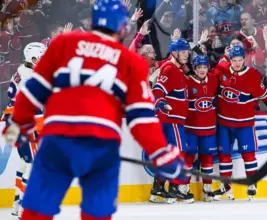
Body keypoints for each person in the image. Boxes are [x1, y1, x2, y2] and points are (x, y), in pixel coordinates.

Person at [2, 1, 185, 219]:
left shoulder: (63, 44)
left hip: (57, 140)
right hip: (100, 145)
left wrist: (17, 124)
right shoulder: (132, 62)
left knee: (36, 211)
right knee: (96, 213)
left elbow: (31, 92)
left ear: (93, 21)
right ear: (123, 27)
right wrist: (161, 154)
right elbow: (141, 119)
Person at [213, 45, 267, 201]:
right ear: (229, 60)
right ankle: (226, 186)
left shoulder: (252, 75)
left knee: (248, 154)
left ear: (244, 59)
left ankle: (252, 183)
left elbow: (264, 95)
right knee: (224, 155)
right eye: (234, 60)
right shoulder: (222, 70)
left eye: (240, 60)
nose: (238, 63)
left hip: (244, 124)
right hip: (224, 122)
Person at [1, 42, 46, 218]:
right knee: (33, 164)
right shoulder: (30, 77)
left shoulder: (22, 70)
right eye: (40, 58)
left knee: (25, 162)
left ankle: (15, 205)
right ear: (32, 58)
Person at [151, 38, 193, 203]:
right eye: (183, 51)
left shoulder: (178, 69)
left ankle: (158, 188)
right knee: (180, 151)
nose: (186, 54)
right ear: (174, 53)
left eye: (187, 51)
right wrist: (161, 103)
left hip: (175, 120)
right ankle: (175, 187)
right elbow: (157, 90)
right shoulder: (170, 69)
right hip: (172, 119)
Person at [185, 55, 219, 202]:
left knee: (207, 157)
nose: (202, 70)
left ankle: (207, 187)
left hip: (209, 127)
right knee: (188, 157)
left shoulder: (213, 79)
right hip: (191, 127)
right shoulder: (186, 81)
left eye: (205, 67)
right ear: (194, 68)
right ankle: (183, 187)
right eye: (199, 67)